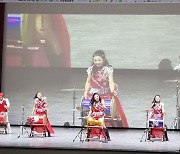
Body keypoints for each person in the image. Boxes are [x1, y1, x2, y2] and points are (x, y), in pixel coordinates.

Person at [83, 50, 128, 128]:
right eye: (95, 60)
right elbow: (88, 82)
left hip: (106, 94)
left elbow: (111, 82)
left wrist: (113, 91)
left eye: (99, 60)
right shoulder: (91, 70)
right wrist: (86, 92)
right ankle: (88, 126)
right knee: (88, 110)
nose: (97, 62)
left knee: (114, 112)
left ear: (103, 60)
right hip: (94, 94)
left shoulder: (108, 70)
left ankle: (120, 129)